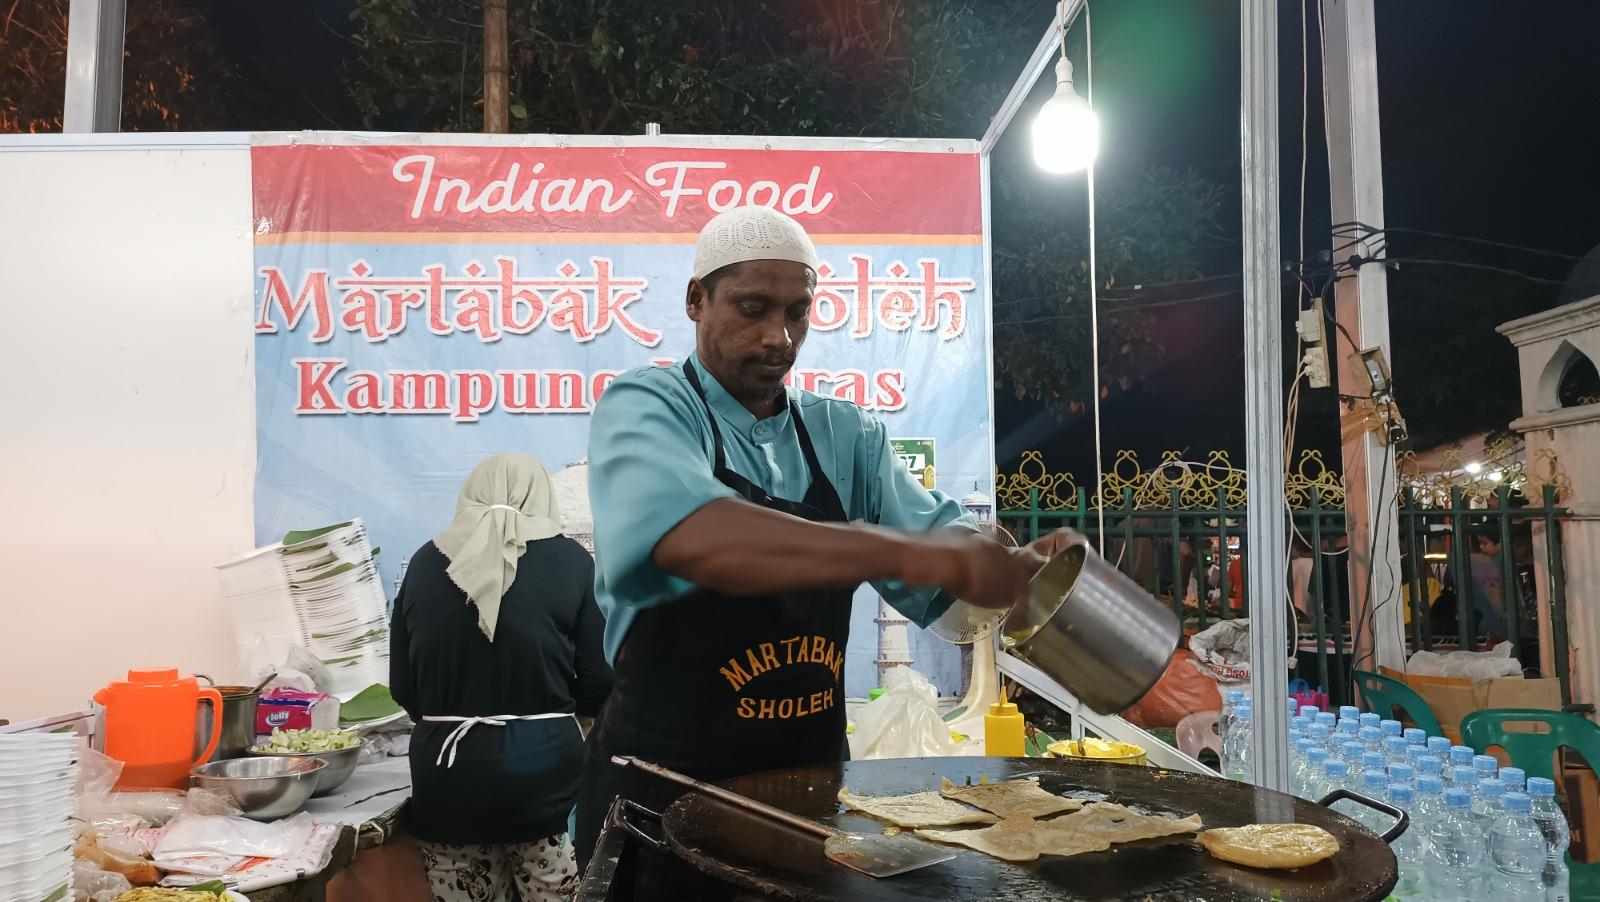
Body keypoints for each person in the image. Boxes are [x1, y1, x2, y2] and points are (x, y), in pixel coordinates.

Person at [574, 206, 1067, 893]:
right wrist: (904, 552)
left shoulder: (846, 434)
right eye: (752, 309)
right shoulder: (648, 406)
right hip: (661, 802)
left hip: (804, 804)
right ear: (696, 300)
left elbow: (950, 585)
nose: (778, 337)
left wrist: (1006, 570)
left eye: (797, 313)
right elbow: (694, 537)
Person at [391, 453, 613, 902]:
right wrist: (563, 712)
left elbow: (403, 684)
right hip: (543, 772)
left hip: (447, 775)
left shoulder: (424, 562)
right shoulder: (570, 560)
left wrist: (449, 713)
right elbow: (600, 677)